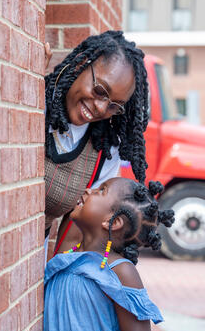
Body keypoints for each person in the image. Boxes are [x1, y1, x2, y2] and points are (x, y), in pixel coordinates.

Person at [44, 30, 150, 254]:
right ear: (82, 64)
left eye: (114, 105)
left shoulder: (103, 151)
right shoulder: (36, 103)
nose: (102, 108)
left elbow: (75, 230)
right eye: (100, 90)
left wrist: (56, 280)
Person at [43, 177, 175, 331]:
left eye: (101, 190)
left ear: (114, 221)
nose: (88, 191)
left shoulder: (121, 271)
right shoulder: (68, 252)